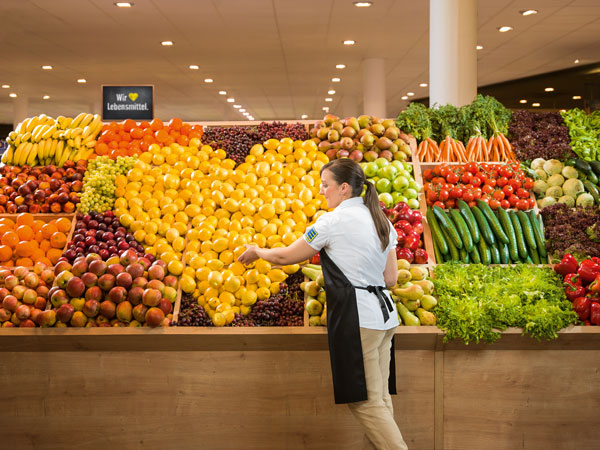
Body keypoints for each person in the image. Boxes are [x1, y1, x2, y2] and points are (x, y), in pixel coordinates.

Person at [238, 158, 409, 450]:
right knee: (379, 398)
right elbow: (391, 279)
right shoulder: (382, 220)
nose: (321, 191)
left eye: (325, 185)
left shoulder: (331, 222)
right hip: (386, 318)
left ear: (344, 188)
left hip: (361, 320)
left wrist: (258, 251)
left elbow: (286, 257)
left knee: (365, 403)